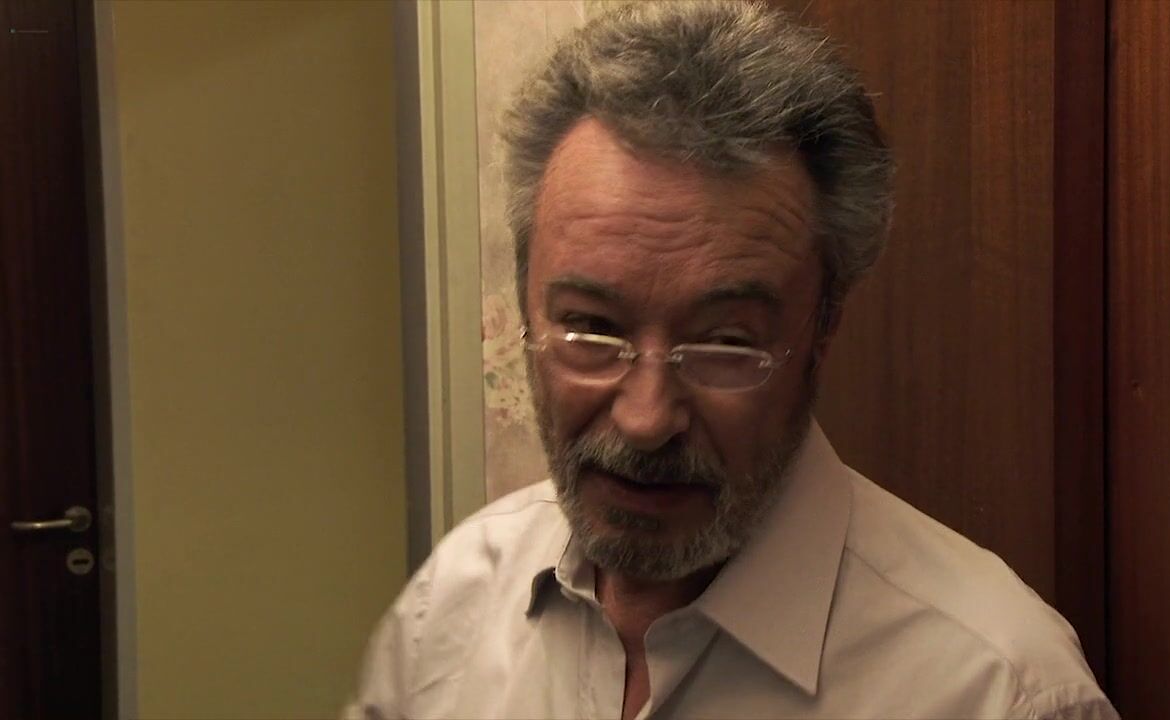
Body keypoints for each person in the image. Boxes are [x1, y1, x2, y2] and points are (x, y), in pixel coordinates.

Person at [346, 2, 1117, 718]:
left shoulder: (1000, 690)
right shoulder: (449, 607)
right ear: (526, 307)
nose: (646, 420)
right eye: (592, 329)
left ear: (823, 328)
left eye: (725, 342)